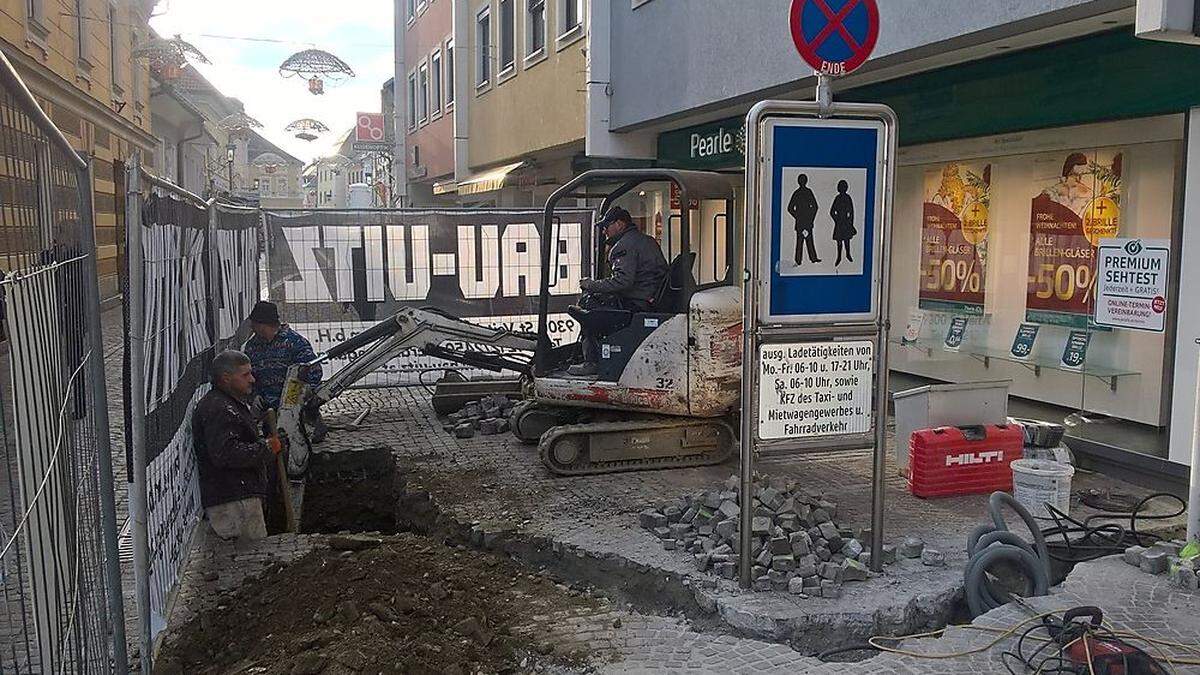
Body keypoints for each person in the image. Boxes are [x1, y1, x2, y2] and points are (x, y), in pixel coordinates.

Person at [569, 207, 668, 377]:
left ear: (620, 224)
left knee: (588, 306)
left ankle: (591, 361)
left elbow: (623, 281)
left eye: (607, 225)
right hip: (649, 298)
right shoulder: (647, 240)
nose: (605, 230)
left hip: (636, 303)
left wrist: (591, 285)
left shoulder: (624, 246)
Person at [193, 350, 281, 541]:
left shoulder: (230, 404)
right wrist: (266, 448)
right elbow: (226, 454)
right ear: (226, 378)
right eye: (245, 374)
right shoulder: (219, 409)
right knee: (251, 557)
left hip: (239, 494)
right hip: (234, 501)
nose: (252, 379)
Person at [243, 301, 326, 441]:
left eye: (254, 324)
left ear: (262, 325)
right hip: (271, 417)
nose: (251, 327)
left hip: (299, 415)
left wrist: (297, 399)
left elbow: (314, 374)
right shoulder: (252, 347)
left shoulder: (295, 343)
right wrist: (254, 396)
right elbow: (250, 378)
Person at [788, 174, 821, 265]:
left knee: (807, 240)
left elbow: (815, 206)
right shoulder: (799, 193)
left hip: (805, 221)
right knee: (801, 241)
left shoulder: (805, 192)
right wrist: (799, 217)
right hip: (803, 222)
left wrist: (809, 218)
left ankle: (812, 258)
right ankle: (799, 260)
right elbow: (790, 208)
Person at [830, 180, 857, 267]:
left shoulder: (848, 198)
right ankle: (839, 257)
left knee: (847, 241)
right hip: (839, 223)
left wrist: (850, 222)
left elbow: (852, 212)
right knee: (839, 242)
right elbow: (832, 211)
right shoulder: (837, 198)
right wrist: (837, 219)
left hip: (846, 222)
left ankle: (848, 255)